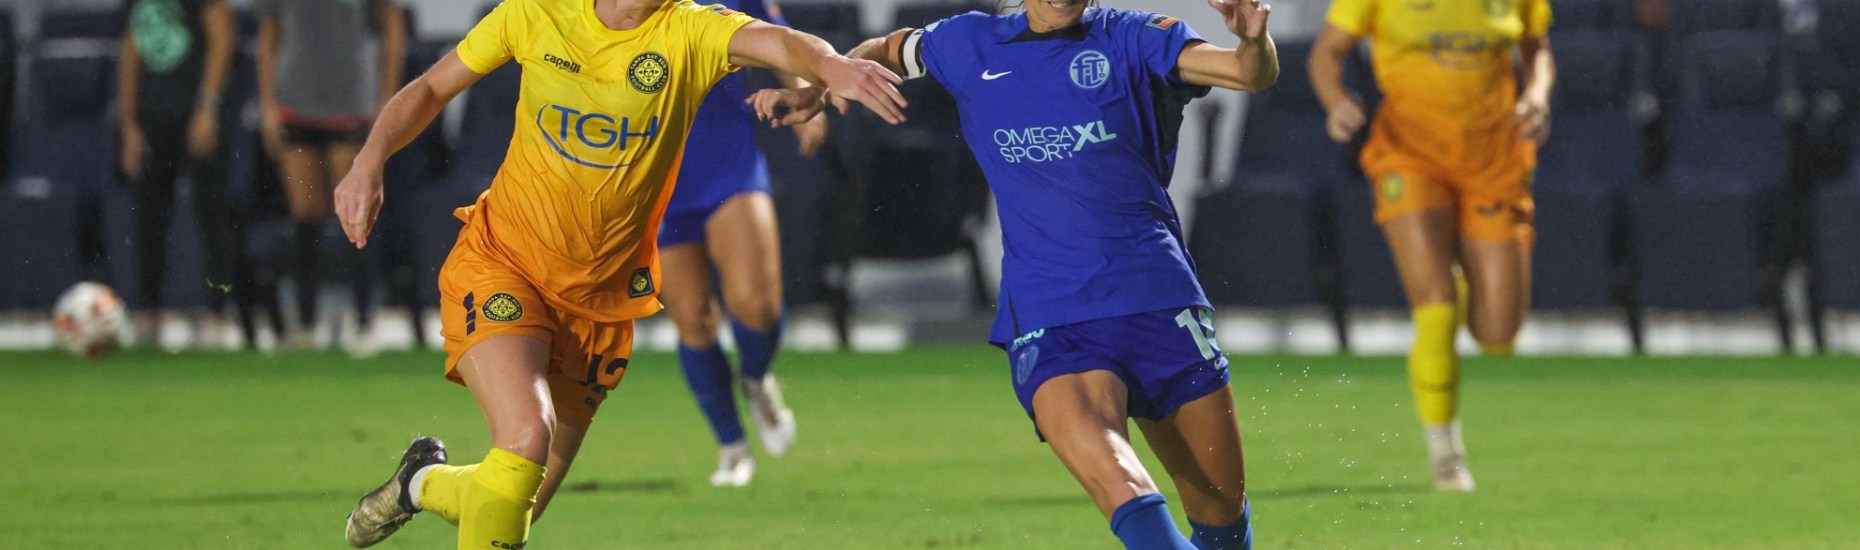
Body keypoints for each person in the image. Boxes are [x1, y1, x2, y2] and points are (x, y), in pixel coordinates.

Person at [329, 0, 907, 547]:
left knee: (513, 501)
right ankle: (731, 443)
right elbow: (432, 86)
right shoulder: (537, 14)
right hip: (505, 263)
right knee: (528, 434)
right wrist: (369, 160)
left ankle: (419, 482)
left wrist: (830, 65)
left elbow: (779, 40)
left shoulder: (690, 30)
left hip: (599, 304)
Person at [756, 0, 1277, 547]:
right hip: (1053, 317)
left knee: (1222, 520)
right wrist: (823, 85)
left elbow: (1248, 73)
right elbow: (886, 50)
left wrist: (1251, 41)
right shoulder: (969, 43)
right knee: (1119, 481)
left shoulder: (1137, 37)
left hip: (1158, 300)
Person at [1306, 0, 1555, 491]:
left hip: (1494, 157)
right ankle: (1446, 455)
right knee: (1435, 305)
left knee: (1498, 335)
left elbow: (1537, 48)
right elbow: (1325, 53)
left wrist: (1539, 94)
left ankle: (1458, 282)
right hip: (1409, 153)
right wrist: (1336, 101)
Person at [659, 0, 820, 488]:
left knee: (755, 302)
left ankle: (756, 379)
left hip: (725, 159)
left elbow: (777, 34)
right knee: (692, 318)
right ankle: (732, 447)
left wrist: (804, 94)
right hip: (651, 175)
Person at [255, 0, 406, 353]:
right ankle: (305, 323)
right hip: (296, 106)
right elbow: (268, 37)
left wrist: (386, 102)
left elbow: (393, 29)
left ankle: (365, 321)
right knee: (304, 214)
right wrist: (267, 106)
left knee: (355, 213)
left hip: (351, 106)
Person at [116, 0, 238, 348]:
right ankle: (149, 314)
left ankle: (217, 315)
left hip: (197, 114)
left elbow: (222, 39)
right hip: (153, 116)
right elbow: (131, 49)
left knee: (212, 214)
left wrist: (208, 106)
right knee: (149, 218)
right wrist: (128, 125)